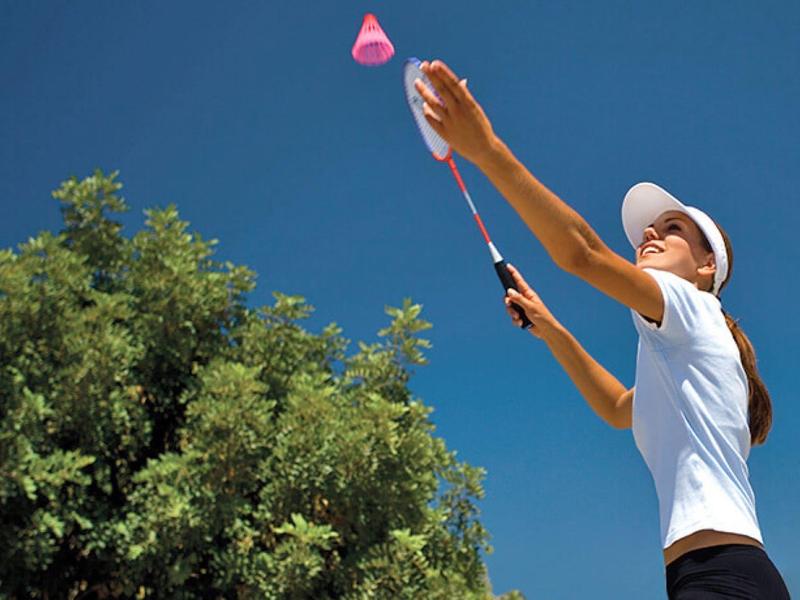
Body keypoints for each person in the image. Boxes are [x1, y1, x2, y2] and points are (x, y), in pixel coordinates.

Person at [415, 60, 791, 599]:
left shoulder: (691, 308)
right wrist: (551, 330)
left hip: (723, 575)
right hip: (715, 574)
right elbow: (618, 407)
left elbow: (582, 254)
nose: (650, 234)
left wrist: (486, 151)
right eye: (650, 229)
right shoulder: (692, 354)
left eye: (673, 228)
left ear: (708, 267)